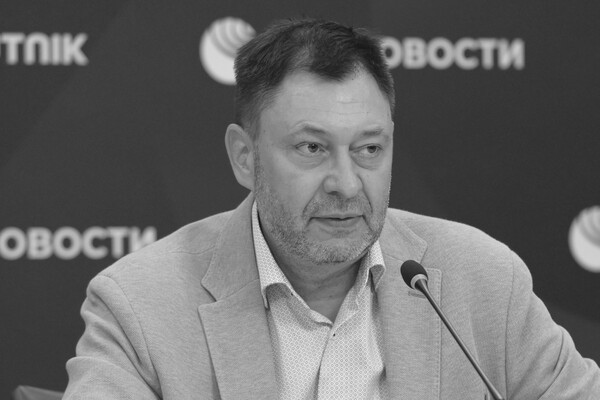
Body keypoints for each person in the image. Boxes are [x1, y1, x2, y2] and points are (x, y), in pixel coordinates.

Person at [63, 17, 600, 399]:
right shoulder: (140, 307)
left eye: (369, 149)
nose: (346, 184)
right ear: (245, 157)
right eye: (312, 148)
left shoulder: (482, 282)